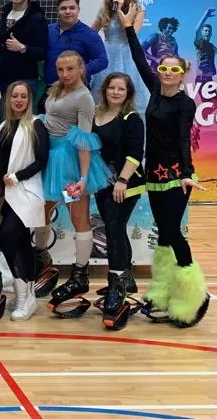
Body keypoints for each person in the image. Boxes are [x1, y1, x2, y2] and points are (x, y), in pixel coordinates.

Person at [125, 20, 210, 328]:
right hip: (154, 176)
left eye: (174, 70)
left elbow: (183, 138)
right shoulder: (155, 94)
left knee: (173, 231)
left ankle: (195, 297)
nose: (168, 73)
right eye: (164, 68)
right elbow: (138, 59)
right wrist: (129, 28)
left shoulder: (185, 104)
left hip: (177, 176)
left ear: (182, 74)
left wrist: (187, 172)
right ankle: (162, 293)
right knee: (163, 234)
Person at [40, 51, 111, 309]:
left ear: (81, 68)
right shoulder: (56, 88)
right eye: (61, 69)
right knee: (42, 211)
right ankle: (41, 260)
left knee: (79, 217)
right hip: (49, 157)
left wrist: (82, 177)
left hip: (68, 163)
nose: (65, 74)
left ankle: (80, 273)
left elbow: (84, 140)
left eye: (70, 68)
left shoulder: (84, 97)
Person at [92, 72, 146, 327]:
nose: (115, 92)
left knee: (114, 229)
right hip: (103, 182)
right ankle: (126, 279)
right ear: (105, 90)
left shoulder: (132, 119)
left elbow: (135, 154)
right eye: (112, 88)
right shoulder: (96, 115)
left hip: (127, 183)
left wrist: (122, 180)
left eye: (121, 89)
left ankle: (116, 284)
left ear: (128, 93)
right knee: (116, 228)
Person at [0, 81, 49, 321]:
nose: (18, 100)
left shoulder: (35, 125)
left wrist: (17, 176)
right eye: (14, 96)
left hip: (26, 191)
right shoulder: (4, 126)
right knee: (22, 242)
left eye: (23, 96)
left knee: (6, 237)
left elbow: (41, 160)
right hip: (7, 194)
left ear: (29, 99)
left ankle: (24, 295)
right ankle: (28, 296)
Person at [90, 0, 148, 111]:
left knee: (129, 91)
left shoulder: (137, 8)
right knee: (105, 92)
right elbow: (92, 32)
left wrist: (119, 10)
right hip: (109, 54)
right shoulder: (104, 8)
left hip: (129, 54)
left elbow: (131, 34)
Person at [0, 0, 47, 99]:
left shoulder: (37, 18)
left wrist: (22, 48)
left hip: (26, 79)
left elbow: (42, 52)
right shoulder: (5, 12)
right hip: (4, 78)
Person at [45, 0, 107, 91]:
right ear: (58, 11)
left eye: (72, 8)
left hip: (76, 91)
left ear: (78, 10)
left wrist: (79, 71)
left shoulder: (89, 35)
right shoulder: (49, 30)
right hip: (49, 90)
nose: (67, 11)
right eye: (63, 8)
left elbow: (102, 60)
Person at [193, 9, 216, 83]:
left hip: (210, 79)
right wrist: (205, 16)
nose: (207, 32)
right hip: (201, 79)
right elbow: (197, 31)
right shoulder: (199, 42)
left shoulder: (211, 46)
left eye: (209, 31)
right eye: (205, 31)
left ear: (211, 34)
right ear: (202, 32)